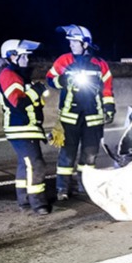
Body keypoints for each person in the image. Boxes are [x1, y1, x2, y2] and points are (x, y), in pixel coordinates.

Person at [46, 25, 115, 201]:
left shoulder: (100, 64)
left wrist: (109, 107)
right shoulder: (64, 60)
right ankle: (63, 188)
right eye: (70, 42)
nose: (71, 45)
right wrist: (61, 80)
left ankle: (85, 186)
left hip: (93, 118)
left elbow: (107, 89)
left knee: (90, 155)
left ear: (85, 44)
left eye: (74, 42)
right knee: (67, 155)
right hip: (70, 117)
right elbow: (50, 79)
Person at [0, 39, 51, 215]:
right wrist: (36, 92)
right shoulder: (9, 74)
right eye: (24, 56)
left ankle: (24, 199)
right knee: (36, 165)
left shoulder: (18, 75)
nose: (28, 60)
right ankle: (38, 202)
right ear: (12, 56)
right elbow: (18, 103)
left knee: (25, 165)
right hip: (20, 128)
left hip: (26, 128)